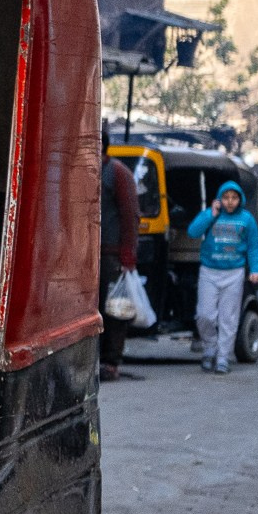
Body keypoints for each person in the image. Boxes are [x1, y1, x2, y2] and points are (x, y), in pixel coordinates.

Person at [186, 179, 258, 373]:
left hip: (234, 273)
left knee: (228, 317)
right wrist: (210, 215)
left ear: (240, 199)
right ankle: (210, 347)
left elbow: (254, 247)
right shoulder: (211, 215)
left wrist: (255, 270)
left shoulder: (247, 219)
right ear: (219, 198)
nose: (229, 202)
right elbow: (193, 232)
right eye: (226, 197)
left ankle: (222, 358)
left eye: (234, 198)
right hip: (209, 272)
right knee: (205, 315)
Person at [99, 132, 141, 382]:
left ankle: (111, 361)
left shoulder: (118, 173)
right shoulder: (84, 170)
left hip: (112, 256)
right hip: (87, 257)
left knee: (114, 310)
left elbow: (130, 216)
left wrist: (128, 257)